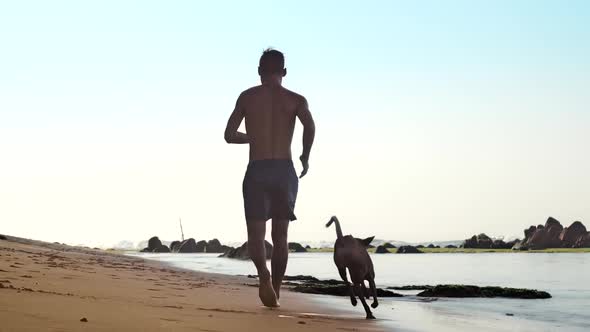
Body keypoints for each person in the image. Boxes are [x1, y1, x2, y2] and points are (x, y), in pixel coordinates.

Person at [224, 48, 316, 307]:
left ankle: (263, 275)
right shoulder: (296, 99)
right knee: (281, 237)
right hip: (284, 170)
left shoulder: (247, 97)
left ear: (259, 71)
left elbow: (229, 135)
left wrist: (253, 137)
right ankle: (275, 289)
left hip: (258, 168)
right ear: (284, 72)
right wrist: (305, 156)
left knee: (256, 235)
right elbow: (310, 125)